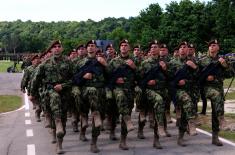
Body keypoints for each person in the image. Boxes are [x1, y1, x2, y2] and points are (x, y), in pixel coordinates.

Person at [31, 40, 73, 154]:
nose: (57, 48)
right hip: (49, 92)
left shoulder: (68, 62)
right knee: (55, 105)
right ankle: (57, 124)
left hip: (64, 93)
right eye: (55, 47)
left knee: (63, 120)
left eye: (59, 46)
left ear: (62, 49)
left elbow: (74, 79)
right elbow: (36, 80)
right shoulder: (45, 64)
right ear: (51, 50)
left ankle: (59, 144)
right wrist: (32, 94)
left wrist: (63, 85)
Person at [198, 39, 231, 146]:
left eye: (214, 45)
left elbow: (230, 74)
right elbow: (196, 75)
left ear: (218, 48)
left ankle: (215, 137)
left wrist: (225, 65)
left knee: (215, 111)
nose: (212, 47)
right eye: (210, 45)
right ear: (208, 48)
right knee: (217, 97)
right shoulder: (202, 60)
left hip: (218, 88)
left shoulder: (223, 59)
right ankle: (222, 119)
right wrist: (206, 78)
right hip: (206, 88)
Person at [108, 39, 136, 150]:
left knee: (126, 114)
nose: (124, 47)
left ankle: (123, 140)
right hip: (117, 91)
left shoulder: (134, 61)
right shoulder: (113, 62)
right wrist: (115, 80)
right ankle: (112, 130)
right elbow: (107, 78)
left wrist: (134, 67)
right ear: (119, 48)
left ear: (129, 48)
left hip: (129, 91)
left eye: (126, 45)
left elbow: (141, 77)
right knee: (115, 115)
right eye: (122, 45)